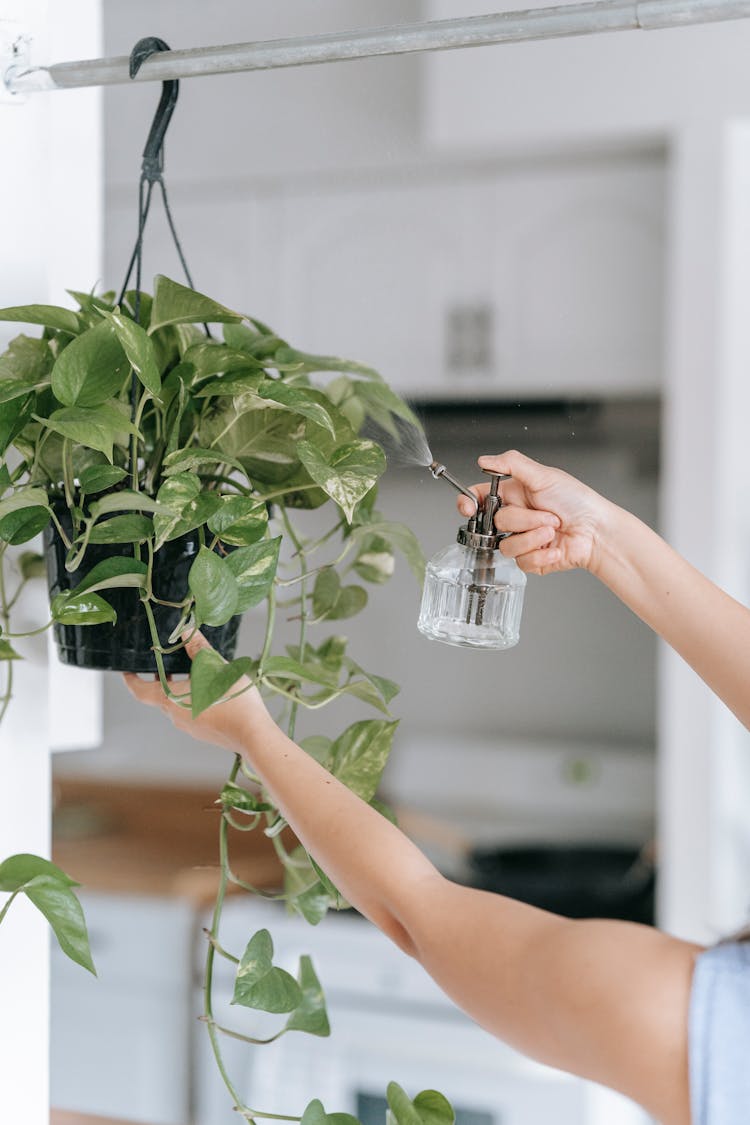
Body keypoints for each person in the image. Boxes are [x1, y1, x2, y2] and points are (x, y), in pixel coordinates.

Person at [125, 449, 750, 1125]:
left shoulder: (688, 1024)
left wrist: (249, 730)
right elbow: (412, 909)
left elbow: (416, 908)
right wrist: (599, 536)